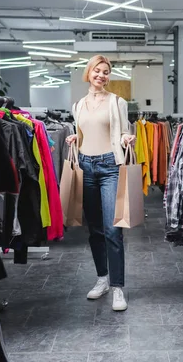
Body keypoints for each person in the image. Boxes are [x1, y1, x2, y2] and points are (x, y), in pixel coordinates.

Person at [66, 55, 136, 311]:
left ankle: (118, 288)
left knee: (112, 230)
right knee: (94, 230)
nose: (102, 75)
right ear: (89, 73)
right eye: (97, 71)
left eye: (106, 72)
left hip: (109, 167)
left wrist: (128, 138)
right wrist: (75, 137)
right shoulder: (78, 105)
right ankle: (102, 280)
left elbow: (123, 130)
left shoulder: (117, 102)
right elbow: (85, 130)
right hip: (86, 166)